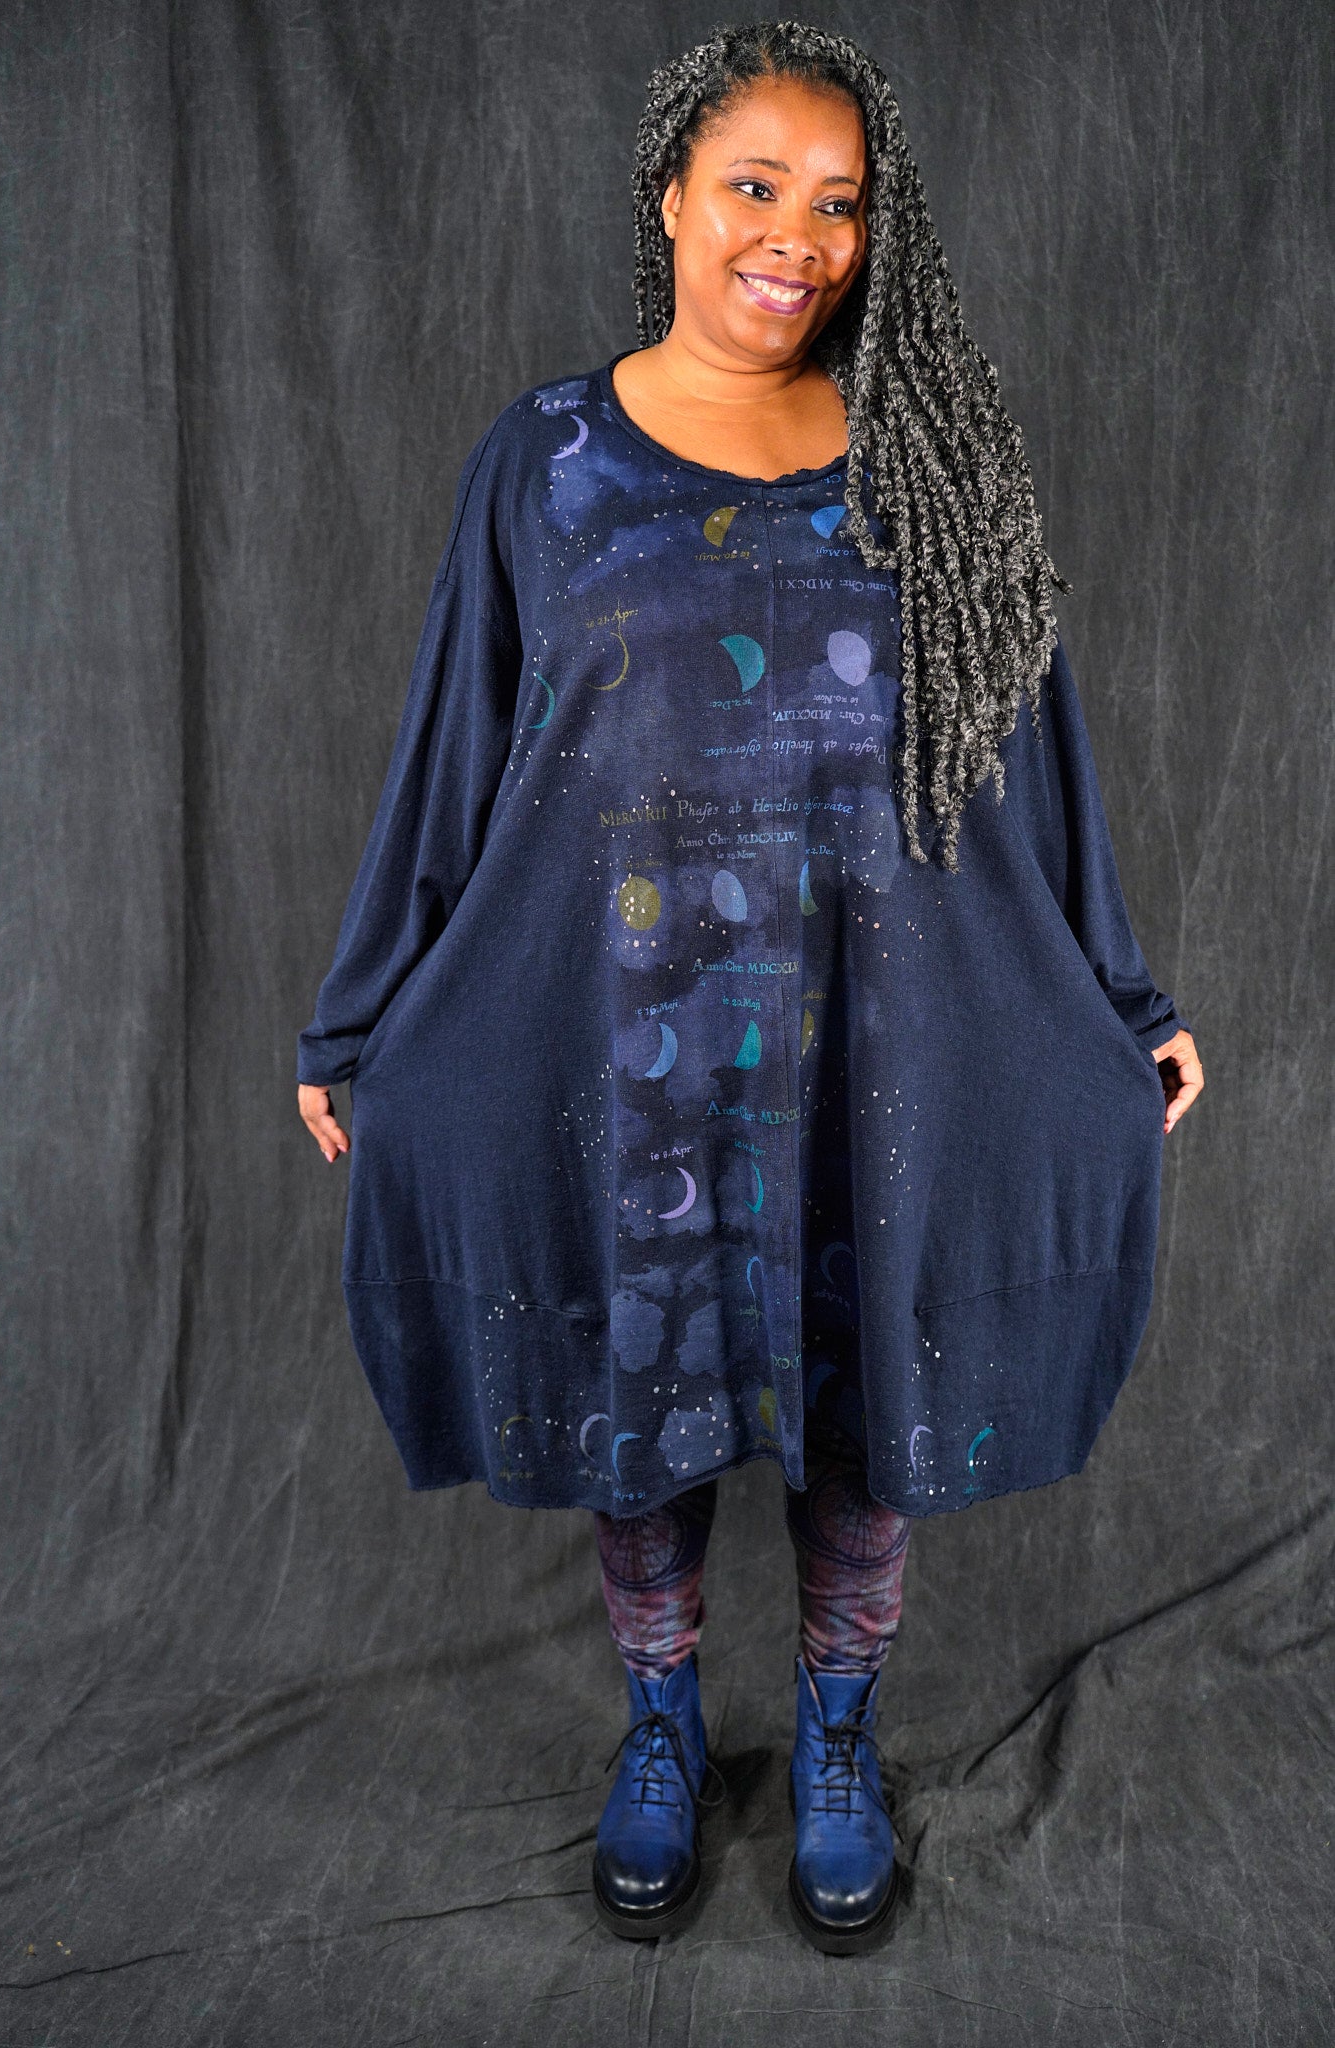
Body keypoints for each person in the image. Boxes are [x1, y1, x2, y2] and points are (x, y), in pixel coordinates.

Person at [296, 19, 1204, 1957]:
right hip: (620, 1035)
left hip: (878, 1034)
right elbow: (454, 752)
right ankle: (655, 1719)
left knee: (862, 1395)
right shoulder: (544, 462)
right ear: (669, 199)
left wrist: (1120, 998)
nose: (797, 236)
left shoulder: (928, 465)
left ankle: (833, 1736)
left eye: (838, 202)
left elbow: (1021, 759)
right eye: (753, 187)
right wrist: (361, 1010)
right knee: (641, 1388)